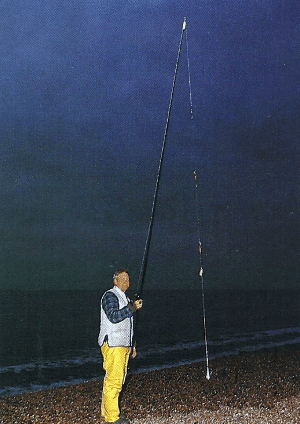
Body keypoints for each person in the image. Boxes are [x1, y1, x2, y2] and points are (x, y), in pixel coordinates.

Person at [98, 269, 143, 424]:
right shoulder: (109, 295)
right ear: (115, 281)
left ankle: (107, 411)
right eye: (122, 279)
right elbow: (114, 316)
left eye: (128, 279)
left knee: (117, 379)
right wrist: (132, 308)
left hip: (123, 345)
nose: (126, 282)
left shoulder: (125, 298)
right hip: (113, 343)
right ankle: (112, 418)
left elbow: (129, 325)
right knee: (115, 380)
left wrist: (133, 345)